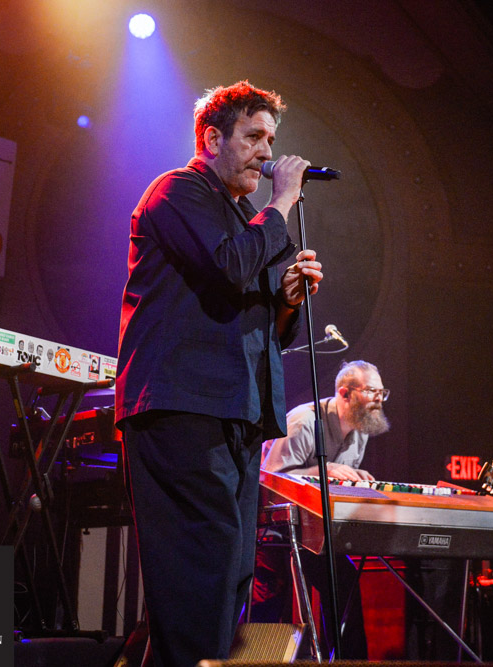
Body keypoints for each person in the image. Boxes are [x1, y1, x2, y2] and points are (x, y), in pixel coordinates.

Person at [115, 80, 324, 666]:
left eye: (272, 140)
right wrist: (282, 202)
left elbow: (270, 332)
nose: (266, 152)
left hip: (235, 412)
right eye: (254, 137)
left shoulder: (246, 220)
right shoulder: (178, 191)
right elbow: (228, 268)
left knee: (230, 573)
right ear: (212, 138)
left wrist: (287, 298)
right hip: (182, 406)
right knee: (197, 574)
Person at [252, 360, 390, 658]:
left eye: (382, 392)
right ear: (345, 394)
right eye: (371, 391)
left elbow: (333, 485)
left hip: (314, 531)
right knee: (270, 594)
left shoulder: (360, 429)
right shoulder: (304, 422)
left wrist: (355, 483)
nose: (379, 399)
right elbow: (270, 481)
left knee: (344, 582)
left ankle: (349, 662)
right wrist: (326, 470)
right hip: (274, 530)